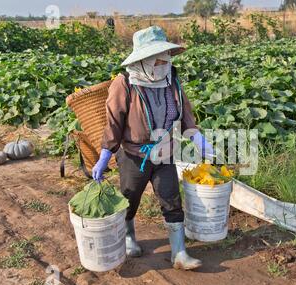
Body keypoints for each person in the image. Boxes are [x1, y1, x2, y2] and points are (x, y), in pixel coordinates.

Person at [92, 26, 214, 271]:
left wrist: (198, 140)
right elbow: (114, 121)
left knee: (171, 199)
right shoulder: (125, 83)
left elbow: (186, 115)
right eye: (157, 59)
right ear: (143, 60)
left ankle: (179, 253)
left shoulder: (172, 81)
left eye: (165, 58)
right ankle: (128, 238)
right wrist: (106, 154)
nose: (162, 63)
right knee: (129, 198)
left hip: (165, 151)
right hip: (134, 155)